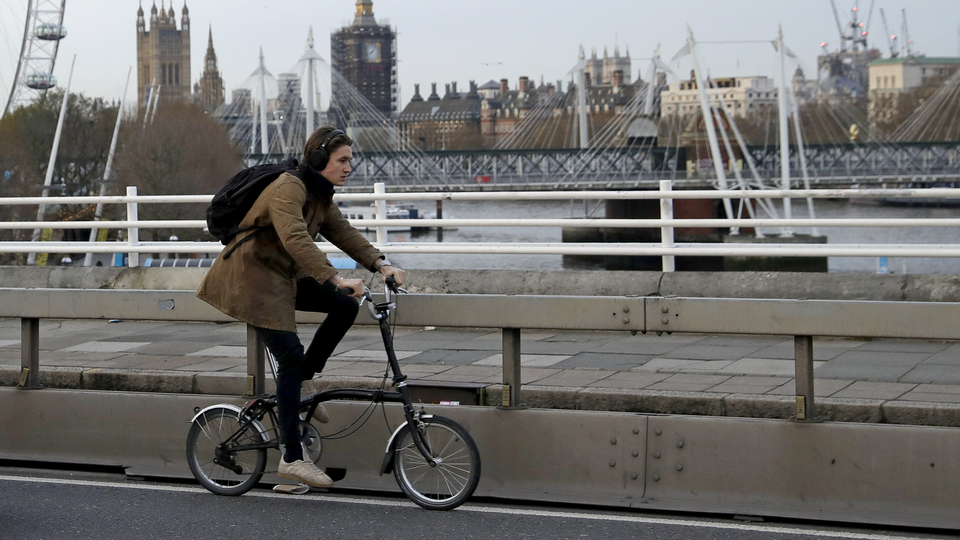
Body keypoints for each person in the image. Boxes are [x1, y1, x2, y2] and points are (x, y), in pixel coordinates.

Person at [197, 126, 405, 488]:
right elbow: (294, 237)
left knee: (344, 307)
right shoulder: (289, 188)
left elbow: (344, 233)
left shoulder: (320, 196)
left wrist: (380, 264)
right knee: (291, 357)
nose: (348, 167)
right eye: (342, 160)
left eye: (350, 160)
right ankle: (292, 458)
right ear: (321, 159)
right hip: (252, 280)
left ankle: (296, 395)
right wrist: (335, 277)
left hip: (282, 277)